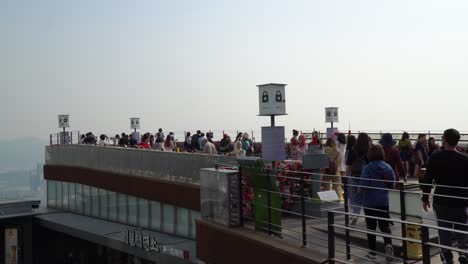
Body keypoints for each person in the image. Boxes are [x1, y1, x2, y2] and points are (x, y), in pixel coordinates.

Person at [421, 129, 468, 264]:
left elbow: (428, 179)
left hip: (441, 200)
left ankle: (447, 258)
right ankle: (464, 252)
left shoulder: (435, 157)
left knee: (443, 231)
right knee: (462, 229)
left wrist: (425, 198)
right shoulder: (465, 158)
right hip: (461, 200)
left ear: (445, 140)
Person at [359, 145, 395, 261]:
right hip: (384, 201)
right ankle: (388, 245)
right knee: (385, 226)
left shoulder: (367, 168)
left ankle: (372, 252)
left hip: (370, 201)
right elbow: (392, 184)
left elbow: (363, 186)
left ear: (370, 155)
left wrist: (359, 190)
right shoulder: (388, 167)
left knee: (371, 227)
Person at [346, 133, 370, 225]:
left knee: (356, 197)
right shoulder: (368, 150)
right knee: (366, 196)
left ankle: (356, 214)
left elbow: (348, 165)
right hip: (365, 176)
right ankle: (368, 217)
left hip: (354, 176)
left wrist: (347, 177)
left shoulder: (352, 150)